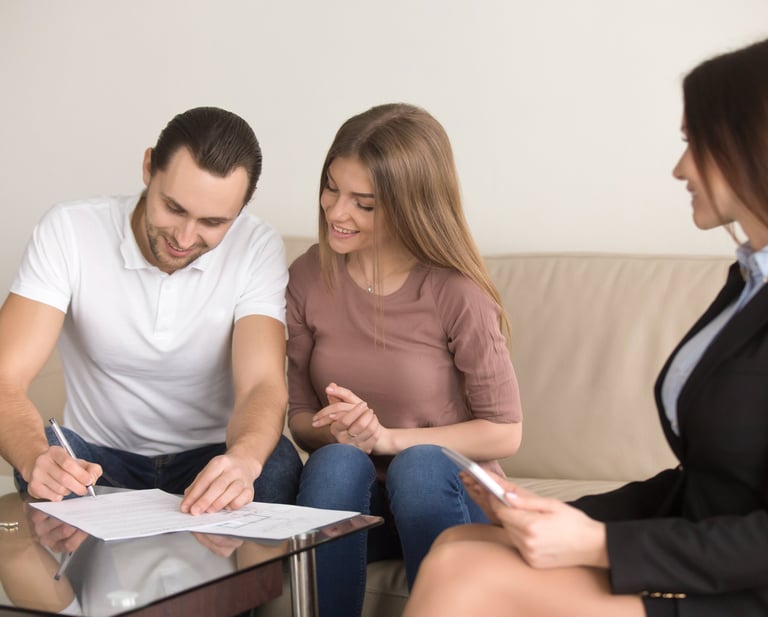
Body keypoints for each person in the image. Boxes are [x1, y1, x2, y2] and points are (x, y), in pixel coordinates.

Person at [402, 38, 768, 617]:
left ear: (748, 144)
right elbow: (709, 484)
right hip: (713, 568)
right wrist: (572, 515)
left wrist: (598, 545)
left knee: (466, 576)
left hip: (745, 592)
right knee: (459, 542)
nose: (679, 169)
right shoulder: (747, 283)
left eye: (693, 144)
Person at [0, 106, 301, 514]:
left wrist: (243, 459)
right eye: (173, 208)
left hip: (209, 460)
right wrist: (36, 456)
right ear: (148, 168)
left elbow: (262, 384)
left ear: (241, 209)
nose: (184, 236)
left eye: (212, 221)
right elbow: (5, 377)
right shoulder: (70, 229)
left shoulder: (256, 246)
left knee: (275, 463)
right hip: (95, 460)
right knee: (45, 465)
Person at [286, 103, 523, 617]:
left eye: (364, 204)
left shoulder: (455, 292)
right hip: (365, 512)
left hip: (448, 503)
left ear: (411, 205)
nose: (336, 212)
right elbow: (299, 421)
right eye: (332, 188)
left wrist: (387, 439)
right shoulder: (308, 276)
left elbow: (505, 432)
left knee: (418, 467)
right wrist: (340, 432)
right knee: (332, 463)